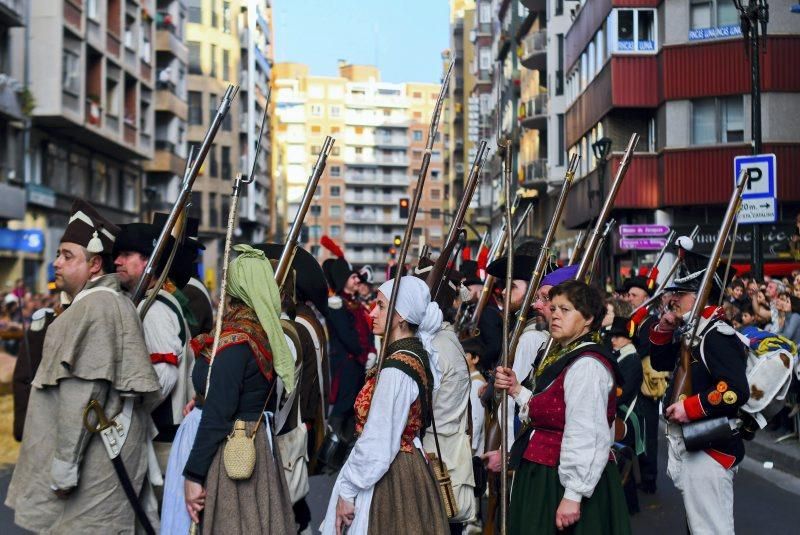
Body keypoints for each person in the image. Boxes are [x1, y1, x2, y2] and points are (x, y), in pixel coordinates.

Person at [6, 200, 161, 532]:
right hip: (100, 456)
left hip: (95, 461)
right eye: (58, 254)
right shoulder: (100, 304)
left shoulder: (95, 308)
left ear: (94, 265)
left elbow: (83, 394)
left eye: (67, 256)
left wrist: (65, 467)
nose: (56, 263)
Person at [494, 280, 630, 535]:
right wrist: (516, 389)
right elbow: (553, 411)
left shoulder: (588, 365)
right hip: (543, 474)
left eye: (565, 310)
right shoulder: (566, 353)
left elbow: (587, 432)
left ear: (588, 318)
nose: (555, 314)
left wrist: (573, 495)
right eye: (553, 308)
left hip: (560, 481)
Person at [322, 276, 448, 535]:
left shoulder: (396, 369)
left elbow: (378, 440)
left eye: (380, 305)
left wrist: (348, 490)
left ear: (401, 315)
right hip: (406, 463)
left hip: (391, 475)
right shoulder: (412, 356)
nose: (372, 312)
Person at [182, 244, 295, 533]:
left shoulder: (237, 341)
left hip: (233, 451)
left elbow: (219, 413)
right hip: (257, 446)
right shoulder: (263, 331)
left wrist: (193, 475)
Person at [649, 251, 749, 534]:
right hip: (695, 444)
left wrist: (690, 407)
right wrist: (664, 328)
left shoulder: (717, 334)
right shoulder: (694, 331)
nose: (674, 299)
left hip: (711, 447)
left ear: (701, 296)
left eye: (682, 293)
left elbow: (735, 391)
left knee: (711, 530)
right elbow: (661, 363)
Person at [114, 222, 194, 477]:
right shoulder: (147, 303)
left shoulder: (155, 309)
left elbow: (163, 375)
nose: (117, 261)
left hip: (162, 434)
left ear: (148, 261)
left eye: (126, 255)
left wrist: (129, 414)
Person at [414, 259, 476, 531]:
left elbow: (417, 412)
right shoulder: (440, 341)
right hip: (443, 455)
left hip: (435, 460)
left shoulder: (434, 346)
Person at [621, 273, 664, 494]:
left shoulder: (651, 323)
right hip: (631, 385)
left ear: (646, 298)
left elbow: (644, 350)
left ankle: (649, 478)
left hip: (646, 387)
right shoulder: (631, 320)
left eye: (634, 295)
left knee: (647, 433)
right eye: (628, 294)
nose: (629, 298)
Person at [607, 316, 644, 515]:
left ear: (629, 338)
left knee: (624, 461)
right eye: (613, 335)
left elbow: (624, 391)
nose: (614, 339)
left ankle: (629, 506)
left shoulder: (632, 359)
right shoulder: (622, 355)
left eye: (619, 336)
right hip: (618, 413)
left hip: (626, 418)